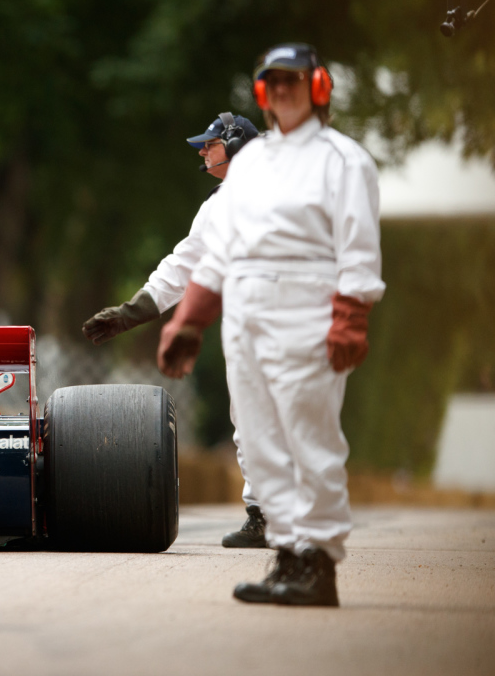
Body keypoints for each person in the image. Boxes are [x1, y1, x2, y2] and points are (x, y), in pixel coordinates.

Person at [158, 43, 384, 607]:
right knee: (258, 443)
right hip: (248, 316)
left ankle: (319, 562)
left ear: (318, 87)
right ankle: (287, 553)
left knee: (309, 439)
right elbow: (218, 253)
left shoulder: (344, 159)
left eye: (292, 80)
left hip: (309, 312)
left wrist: (351, 317)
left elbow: (358, 246)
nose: (281, 91)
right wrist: (189, 320)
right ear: (262, 94)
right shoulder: (253, 165)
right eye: (271, 82)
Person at [82, 112, 269, 548]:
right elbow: (182, 266)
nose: (203, 151)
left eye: (210, 144)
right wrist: (130, 313)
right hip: (255, 320)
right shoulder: (221, 203)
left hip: (284, 317)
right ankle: (268, 514)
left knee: (277, 415)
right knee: (251, 418)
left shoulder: (274, 192)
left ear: (237, 146)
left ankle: (286, 518)